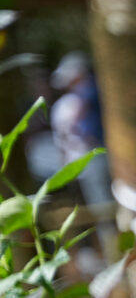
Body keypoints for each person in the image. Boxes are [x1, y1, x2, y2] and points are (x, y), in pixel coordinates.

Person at [44, 52, 112, 209]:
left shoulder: (92, 91)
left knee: (103, 202)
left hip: (98, 154)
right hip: (92, 156)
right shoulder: (83, 94)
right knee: (99, 200)